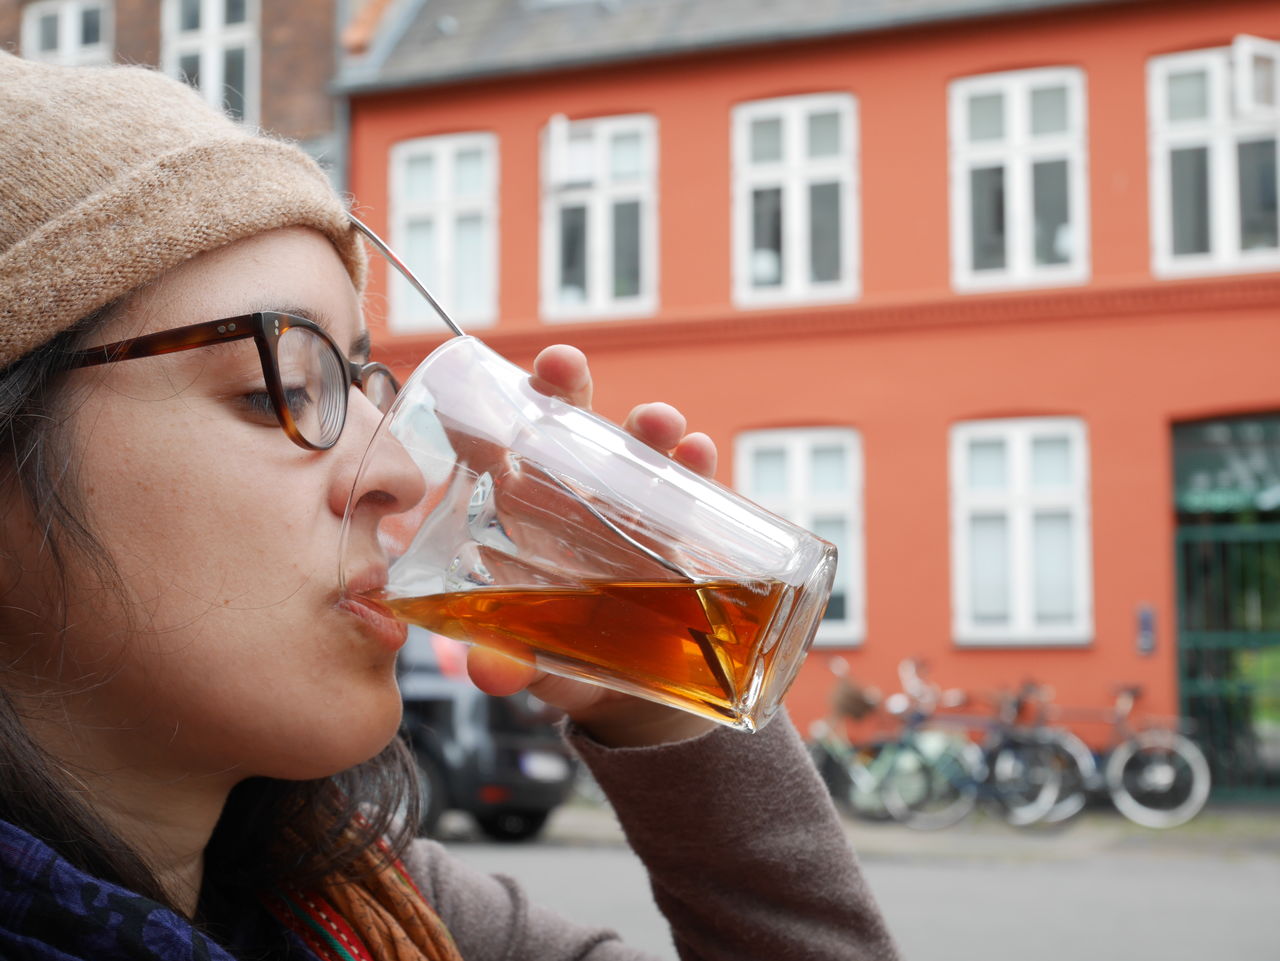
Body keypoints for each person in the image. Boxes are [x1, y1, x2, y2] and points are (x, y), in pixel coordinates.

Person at [0, 52, 900, 961]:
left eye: (360, 382)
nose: (396, 470)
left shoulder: (382, 918)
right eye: (277, 386)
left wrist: (658, 698)